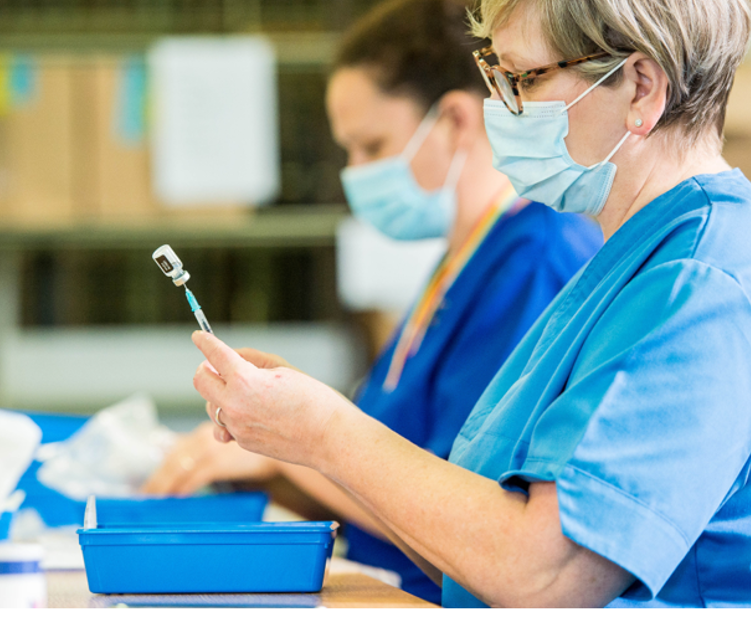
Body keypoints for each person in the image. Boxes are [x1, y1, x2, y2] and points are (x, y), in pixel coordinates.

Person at [185, 0, 751, 608]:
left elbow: (546, 574)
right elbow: (475, 556)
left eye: (522, 80)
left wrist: (325, 432)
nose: (499, 111)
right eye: (495, 78)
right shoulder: (631, 261)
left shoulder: (703, 283)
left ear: (640, 87)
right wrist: (299, 433)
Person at [140, 0, 603, 605]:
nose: (355, 174)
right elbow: (382, 474)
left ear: (456, 122)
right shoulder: (457, 265)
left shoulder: (536, 259)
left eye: (372, 145)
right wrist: (276, 449)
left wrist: (310, 440)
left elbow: (472, 518)